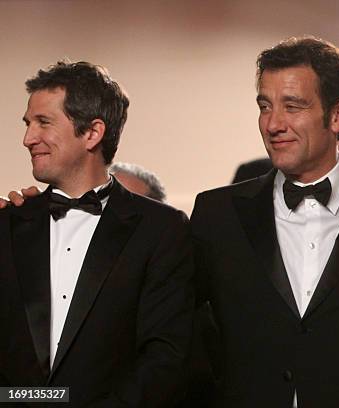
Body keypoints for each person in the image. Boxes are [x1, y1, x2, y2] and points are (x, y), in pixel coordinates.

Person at [190, 36, 339, 407]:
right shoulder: (218, 214)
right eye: (265, 106)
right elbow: (183, 332)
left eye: (293, 106)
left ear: (338, 116)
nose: (273, 124)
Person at [0, 61, 194, 406]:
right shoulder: (8, 223)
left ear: (92, 132)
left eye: (43, 122)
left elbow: (165, 357)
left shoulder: (161, 229)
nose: (27, 138)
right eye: (28, 124)